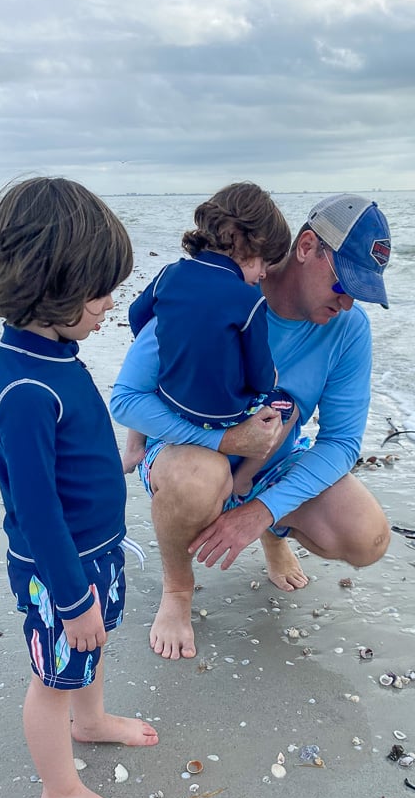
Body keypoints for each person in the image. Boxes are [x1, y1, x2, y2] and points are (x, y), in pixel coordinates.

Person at [111, 192, 392, 660]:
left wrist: (262, 510)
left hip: (271, 460)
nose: (346, 304)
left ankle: (273, 532)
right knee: (200, 478)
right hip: (185, 456)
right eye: (343, 284)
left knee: (368, 538)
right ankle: (177, 589)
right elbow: (127, 398)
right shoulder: (206, 296)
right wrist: (221, 439)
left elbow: (341, 442)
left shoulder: (350, 329)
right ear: (305, 247)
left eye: (359, 294)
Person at [0, 177, 158, 798]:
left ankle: (92, 720)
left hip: (92, 551)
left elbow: (71, 454)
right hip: (61, 564)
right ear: (49, 286)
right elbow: (36, 505)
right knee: (53, 672)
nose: (111, 303)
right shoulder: (24, 387)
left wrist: (120, 464)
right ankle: (61, 791)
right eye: (99, 290)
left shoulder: (49, 353)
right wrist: (70, 596)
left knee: (94, 641)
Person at [122, 182, 297, 497]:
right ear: (241, 242)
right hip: (222, 418)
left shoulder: (169, 274)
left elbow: (137, 316)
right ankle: (244, 479)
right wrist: (272, 378)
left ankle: (135, 446)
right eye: (264, 261)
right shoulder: (248, 300)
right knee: (287, 404)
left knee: (154, 379)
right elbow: (260, 379)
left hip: (173, 403)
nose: (265, 274)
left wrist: (172, 344)